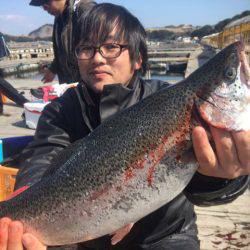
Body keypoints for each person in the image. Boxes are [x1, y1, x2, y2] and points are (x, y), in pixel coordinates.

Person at [0, 3, 249, 250]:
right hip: (83, 240)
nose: (97, 58)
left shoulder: (166, 99)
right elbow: (41, 159)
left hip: (166, 237)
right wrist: (20, 205)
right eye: (86, 48)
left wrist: (223, 179)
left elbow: (201, 189)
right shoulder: (60, 110)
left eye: (111, 47)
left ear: (138, 58)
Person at [29, 0, 95, 84]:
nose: (45, 9)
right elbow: (61, 51)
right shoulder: (59, 18)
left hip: (86, 86)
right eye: (42, 6)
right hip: (69, 86)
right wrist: (53, 69)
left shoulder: (85, 9)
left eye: (47, 3)